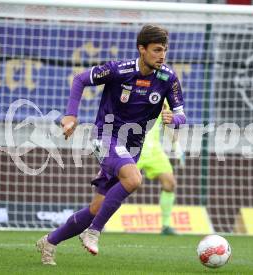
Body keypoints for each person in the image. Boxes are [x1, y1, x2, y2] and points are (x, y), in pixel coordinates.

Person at [36, 24, 186, 265]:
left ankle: (50, 242)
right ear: (142, 49)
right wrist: (71, 115)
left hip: (134, 145)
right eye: (157, 50)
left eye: (165, 50)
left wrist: (174, 119)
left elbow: (181, 115)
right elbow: (80, 79)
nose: (162, 55)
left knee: (96, 207)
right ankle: (94, 231)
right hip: (105, 136)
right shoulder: (118, 70)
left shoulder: (168, 78)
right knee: (134, 179)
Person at [136, 104, 185, 235]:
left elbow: (167, 123)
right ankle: (98, 220)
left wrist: (176, 145)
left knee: (170, 183)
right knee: (112, 183)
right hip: (132, 149)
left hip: (154, 151)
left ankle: (166, 225)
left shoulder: (161, 96)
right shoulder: (134, 89)